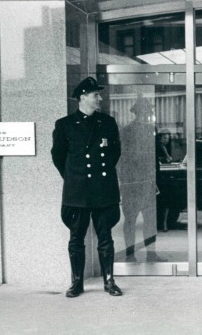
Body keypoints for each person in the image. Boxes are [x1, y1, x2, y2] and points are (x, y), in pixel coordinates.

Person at [51, 77, 123, 298]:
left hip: (103, 189)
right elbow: (58, 156)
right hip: (78, 192)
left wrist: (98, 178)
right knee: (76, 238)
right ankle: (77, 283)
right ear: (83, 97)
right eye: (95, 95)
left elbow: (114, 153)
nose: (99, 98)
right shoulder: (64, 125)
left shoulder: (108, 122)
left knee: (106, 237)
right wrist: (75, 177)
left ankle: (109, 282)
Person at [118, 97, 160, 262]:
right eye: (146, 111)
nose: (147, 114)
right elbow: (123, 158)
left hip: (140, 182)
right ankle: (137, 254)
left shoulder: (145, 130)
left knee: (143, 220)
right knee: (134, 220)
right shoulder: (129, 131)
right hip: (136, 182)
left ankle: (144, 254)